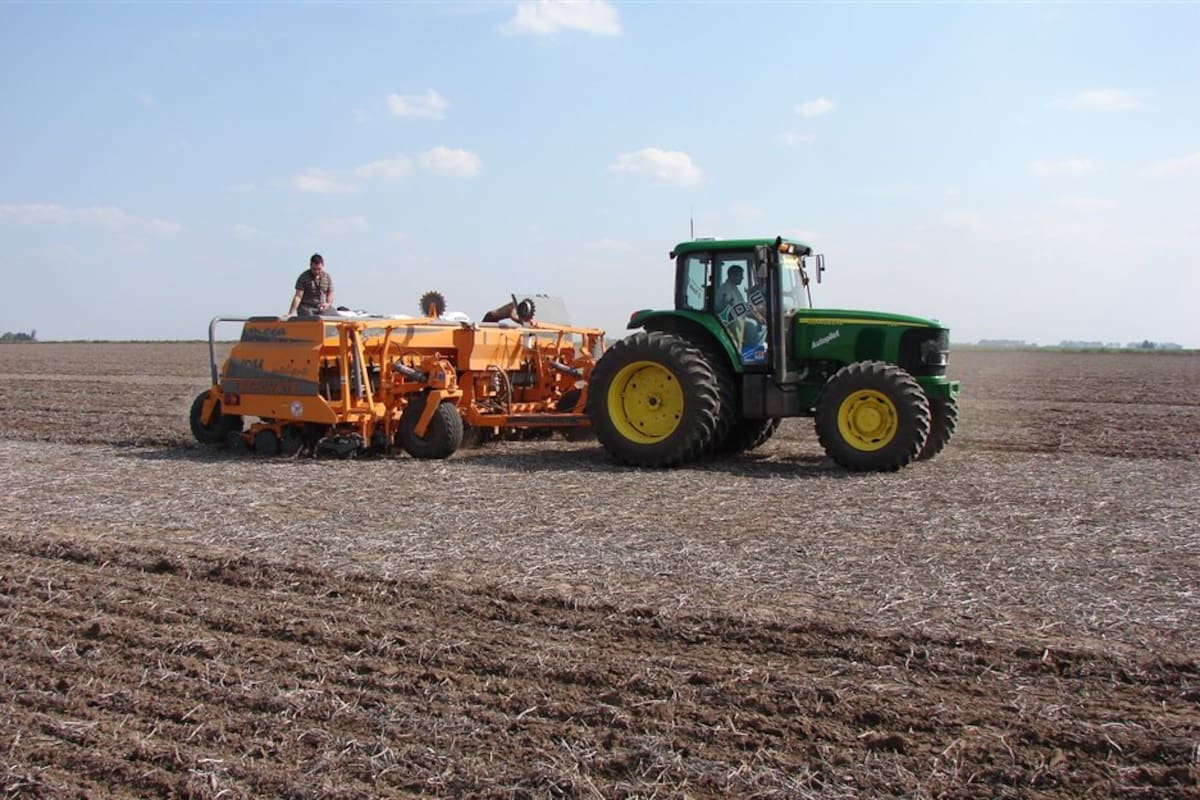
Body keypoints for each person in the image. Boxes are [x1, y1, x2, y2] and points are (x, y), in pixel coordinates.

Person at [714, 265, 765, 348]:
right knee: (753, 325)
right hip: (732, 322)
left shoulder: (733, 288)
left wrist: (758, 316)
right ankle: (750, 349)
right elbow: (728, 309)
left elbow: (742, 306)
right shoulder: (727, 289)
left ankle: (752, 348)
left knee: (760, 327)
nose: (742, 278)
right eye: (740, 275)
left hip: (738, 318)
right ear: (732, 275)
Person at [288, 253, 334, 317]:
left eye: (319, 269)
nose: (317, 271)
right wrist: (291, 313)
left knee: (337, 318)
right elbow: (298, 297)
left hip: (322, 307)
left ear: (323, 265)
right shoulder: (303, 277)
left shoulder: (327, 277)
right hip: (307, 307)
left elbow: (330, 293)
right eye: (314, 269)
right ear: (310, 266)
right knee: (312, 319)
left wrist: (328, 304)